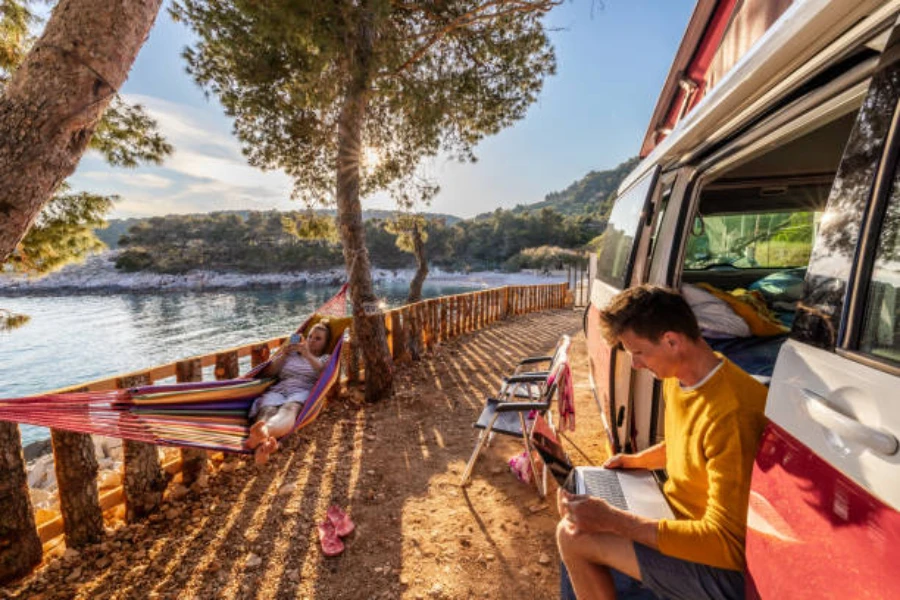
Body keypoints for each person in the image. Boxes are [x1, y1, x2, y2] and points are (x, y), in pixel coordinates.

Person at [557, 285, 767, 600]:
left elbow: (727, 544)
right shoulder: (683, 377)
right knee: (581, 513)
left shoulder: (731, 414)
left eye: (639, 353)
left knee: (574, 536)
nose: (636, 365)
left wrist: (617, 521)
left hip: (720, 566)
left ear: (671, 340)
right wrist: (635, 462)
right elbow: (689, 446)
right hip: (675, 517)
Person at [245, 322, 332, 464]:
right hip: (280, 388)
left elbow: (324, 373)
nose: (312, 340)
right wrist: (284, 354)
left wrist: (308, 354)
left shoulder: (324, 358)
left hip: (301, 390)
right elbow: (269, 373)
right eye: (310, 337)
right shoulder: (291, 355)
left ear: (325, 343)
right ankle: (265, 445)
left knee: (289, 409)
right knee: (267, 410)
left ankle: (265, 432)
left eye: (318, 338)